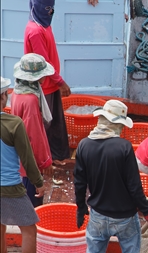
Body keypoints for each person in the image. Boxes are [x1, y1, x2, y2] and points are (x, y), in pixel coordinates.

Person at [74, 100, 148, 253]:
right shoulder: (124, 147)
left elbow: (79, 182)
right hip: (125, 217)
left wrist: (81, 207)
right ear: (118, 124)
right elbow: (134, 187)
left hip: (98, 215)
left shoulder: (83, 145)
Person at [0, 76, 45, 253]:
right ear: (3, 96)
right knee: (29, 229)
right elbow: (27, 158)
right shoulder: (13, 124)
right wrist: (39, 183)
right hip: (10, 187)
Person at [24, 0, 71, 166]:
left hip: (51, 84)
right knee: (45, 125)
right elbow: (43, 63)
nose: (50, 12)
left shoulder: (44, 25)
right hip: (43, 86)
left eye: (52, 9)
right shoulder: (35, 31)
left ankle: (56, 156)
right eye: (47, 9)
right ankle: (42, 161)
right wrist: (60, 82)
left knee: (56, 123)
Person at [10, 53, 54, 208]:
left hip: (18, 158)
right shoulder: (31, 100)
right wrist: (44, 161)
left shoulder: (17, 92)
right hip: (28, 164)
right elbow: (33, 136)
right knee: (31, 210)